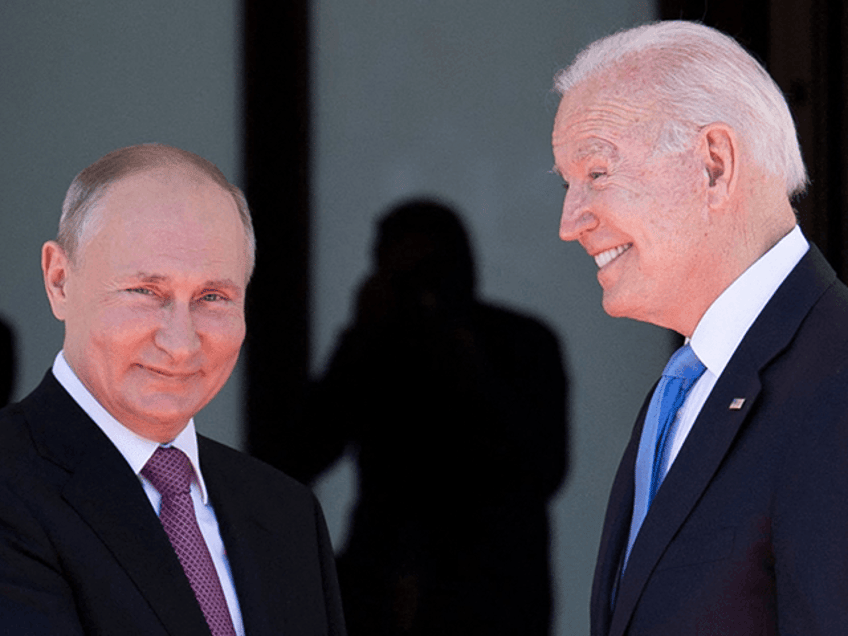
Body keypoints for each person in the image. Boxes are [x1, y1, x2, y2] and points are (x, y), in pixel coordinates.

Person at [551, 20, 848, 636]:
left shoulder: (836, 378)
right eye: (567, 183)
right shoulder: (691, 385)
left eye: (597, 173)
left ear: (714, 164)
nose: (570, 221)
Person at [0, 144, 346, 636]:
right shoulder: (12, 487)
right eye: (145, 292)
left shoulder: (285, 514)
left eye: (212, 297)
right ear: (59, 281)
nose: (181, 344)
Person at [283, 199, 567, 636]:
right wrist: (358, 340)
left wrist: (470, 367)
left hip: (491, 590)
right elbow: (298, 456)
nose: (422, 295)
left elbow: (543, 468)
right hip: (390, 584)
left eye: (430, 273)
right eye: (402, 278)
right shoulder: (376, 349)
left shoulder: (519, 344)